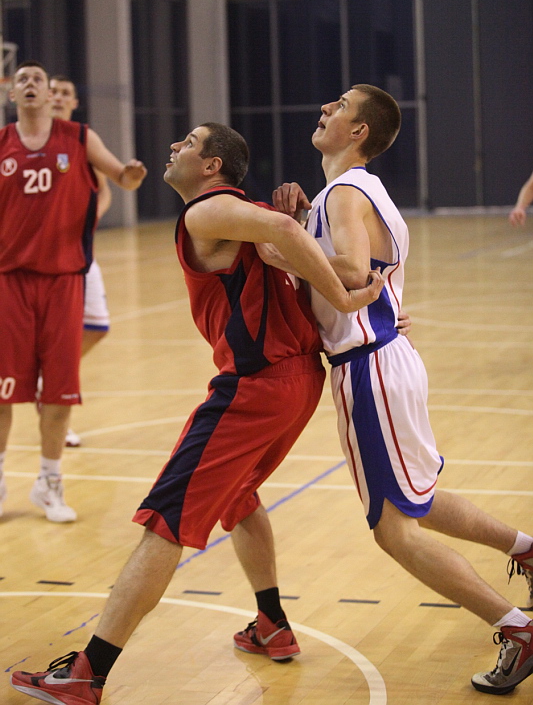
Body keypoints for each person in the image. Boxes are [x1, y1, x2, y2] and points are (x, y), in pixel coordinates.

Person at [10, 121, 386, 704]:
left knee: (166, 519)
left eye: (187, 143)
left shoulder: (207, 212)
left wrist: (344, 295)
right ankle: (271, 623)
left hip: (255, 386)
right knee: (238, 497)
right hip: (297, 381)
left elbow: (287, 230)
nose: (172, 147)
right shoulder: (244, 213)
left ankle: (88, 672)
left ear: (212, 166)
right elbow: (287, 233)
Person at [229, 85, 533, 696]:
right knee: (419, 499)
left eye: (339, 106)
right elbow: (364, 270)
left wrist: (277, 247)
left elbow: (351, 270)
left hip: (369, 368)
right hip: (386, 358)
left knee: (394, 531)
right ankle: (527, 551)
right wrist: (298, 224)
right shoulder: (355, 191)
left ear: (359, 130)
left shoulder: (346, 191)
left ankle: (517, 628)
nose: (324, 109)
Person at [0, 60, 147, 523]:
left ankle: (49, 482)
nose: (29, 84)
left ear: (51, 94)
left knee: (59, 391)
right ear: (12, 94)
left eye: (37, 80)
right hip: (9, 281)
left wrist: (132, 174)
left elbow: (121, 178)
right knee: (2, 391)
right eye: (21, 79)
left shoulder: (80, 138)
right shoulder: (2, 144)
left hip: (64, 280)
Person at [49, 74, 113, 448]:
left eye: (65, 93)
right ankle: (58, 417)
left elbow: (104, 191)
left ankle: (46, 383)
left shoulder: (82, 142)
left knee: (97, 326)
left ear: (74, 103)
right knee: (58, 342)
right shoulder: (25, 142)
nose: (58, 97)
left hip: (79, 254)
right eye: (53, 91)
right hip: (39, 263)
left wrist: (91, 217)